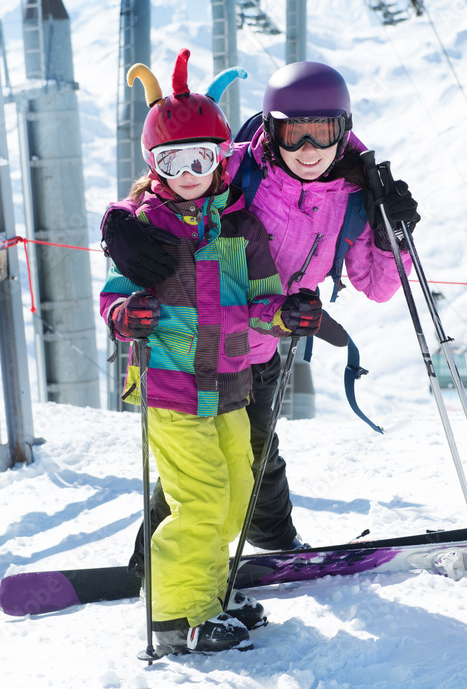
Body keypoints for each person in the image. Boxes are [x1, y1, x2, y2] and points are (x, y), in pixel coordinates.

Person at [109, 59, 419, 563]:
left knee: (255, 449)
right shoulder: (235, 165)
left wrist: (391, 237)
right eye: (294, 135)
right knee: (204, 458)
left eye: (322, 134)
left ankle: (272, 543)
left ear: (344, 130)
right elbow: (172, 179)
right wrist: (117, 221)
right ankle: (153, 565)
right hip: (198, 342)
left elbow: (378, 287)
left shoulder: (358, 194)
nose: (308, 151)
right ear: (272, 131)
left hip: (266, 336)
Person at [100, 49, 323, 656]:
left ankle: (211, 590)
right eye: (172, 160)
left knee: (233, 500)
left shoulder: (239, 227)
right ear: (153, 163)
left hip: (229, 384)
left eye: (201, 157)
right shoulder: (143, 227)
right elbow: (115, 298)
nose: (189, 172)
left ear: (221, 157)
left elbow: (261, 301)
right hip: (172, 389)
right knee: (199, 501)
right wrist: (127, 315)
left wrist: (286, 314)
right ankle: (178, 617)